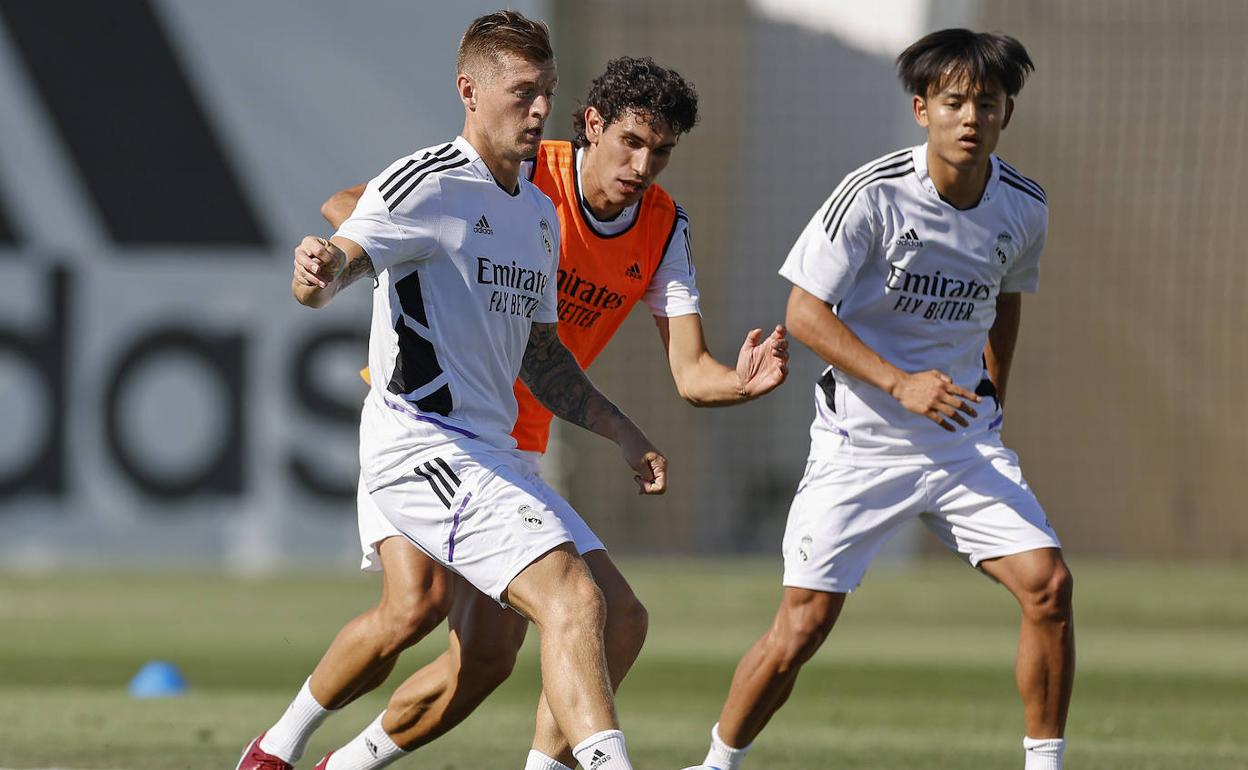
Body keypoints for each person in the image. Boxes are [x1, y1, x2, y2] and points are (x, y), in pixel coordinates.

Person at [237, 52, 789, 770]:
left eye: (661, 151)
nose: (643, 165)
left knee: (529, 646)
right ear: (592, 126)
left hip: (508, 441)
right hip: (422, 426)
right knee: (418, 604)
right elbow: (354, 208)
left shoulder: (662, 228)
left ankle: (348, 764)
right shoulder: (521, 173)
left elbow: (691, 372)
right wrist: (408, 265)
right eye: (631, 142)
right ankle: (276, 748)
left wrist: (738, 385)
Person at [696, 29, 1074, 770]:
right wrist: (901, 383)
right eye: (954, 101)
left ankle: (1045, 765)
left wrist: (996, 393)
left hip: (961, 442)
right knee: (800, 630)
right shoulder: (872, 195)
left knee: (1049, 586)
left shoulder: (1024, 206)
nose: (970, 117)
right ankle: (715, 764)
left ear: (1007, 115)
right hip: (859, 444)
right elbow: (805, 313)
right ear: (921, 109)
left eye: (987, 103)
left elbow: (1007, 299)